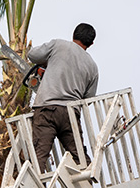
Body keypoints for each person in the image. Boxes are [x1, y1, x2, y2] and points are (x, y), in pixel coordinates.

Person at [27, 23, 98, 173]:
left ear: (74, 34)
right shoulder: (92, 66)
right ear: (91, 43)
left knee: (39, 156)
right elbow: (88, 99)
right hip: (70, 115)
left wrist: (48, 60)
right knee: (79, 157)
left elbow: (32, 55)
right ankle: (87, 182)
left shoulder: (58, 45)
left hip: (46, 110)